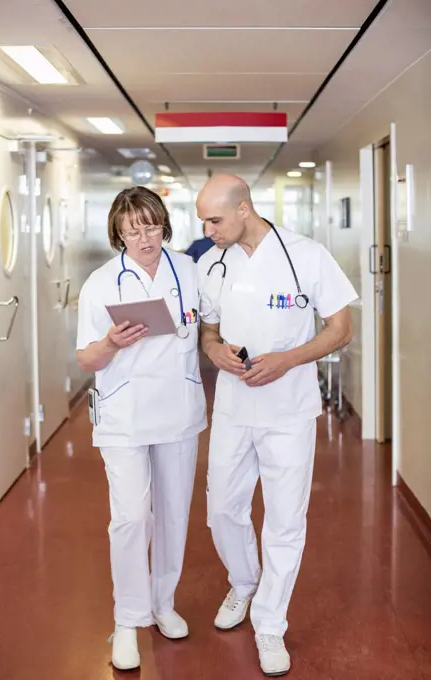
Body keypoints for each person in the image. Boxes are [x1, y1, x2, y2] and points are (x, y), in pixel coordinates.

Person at [196, 174, 357, 676]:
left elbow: (340, 329)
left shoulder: (305, 255)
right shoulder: (210, 262)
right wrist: (215, 351)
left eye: (215, 219)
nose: (207, 229)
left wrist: (287, 359)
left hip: (289, 410)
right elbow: (208, 331)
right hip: (232, 408)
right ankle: (244, 582)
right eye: (203, 220)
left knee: (285, 521)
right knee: (222, 508)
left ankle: (270, 623)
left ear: (244, 209)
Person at [76, 186, 207, 671]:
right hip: (125, 414)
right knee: (131, 517)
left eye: (151, 226)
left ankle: (162, 604)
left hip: (178, 408)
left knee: (173, 513)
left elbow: (208, 326)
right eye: (133, 230)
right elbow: (85, 356)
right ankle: (128, 618)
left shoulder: (188, 271)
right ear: (118, 233)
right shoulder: (101, 283)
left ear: (163, 225)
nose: (144, 238)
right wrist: (110, 344)